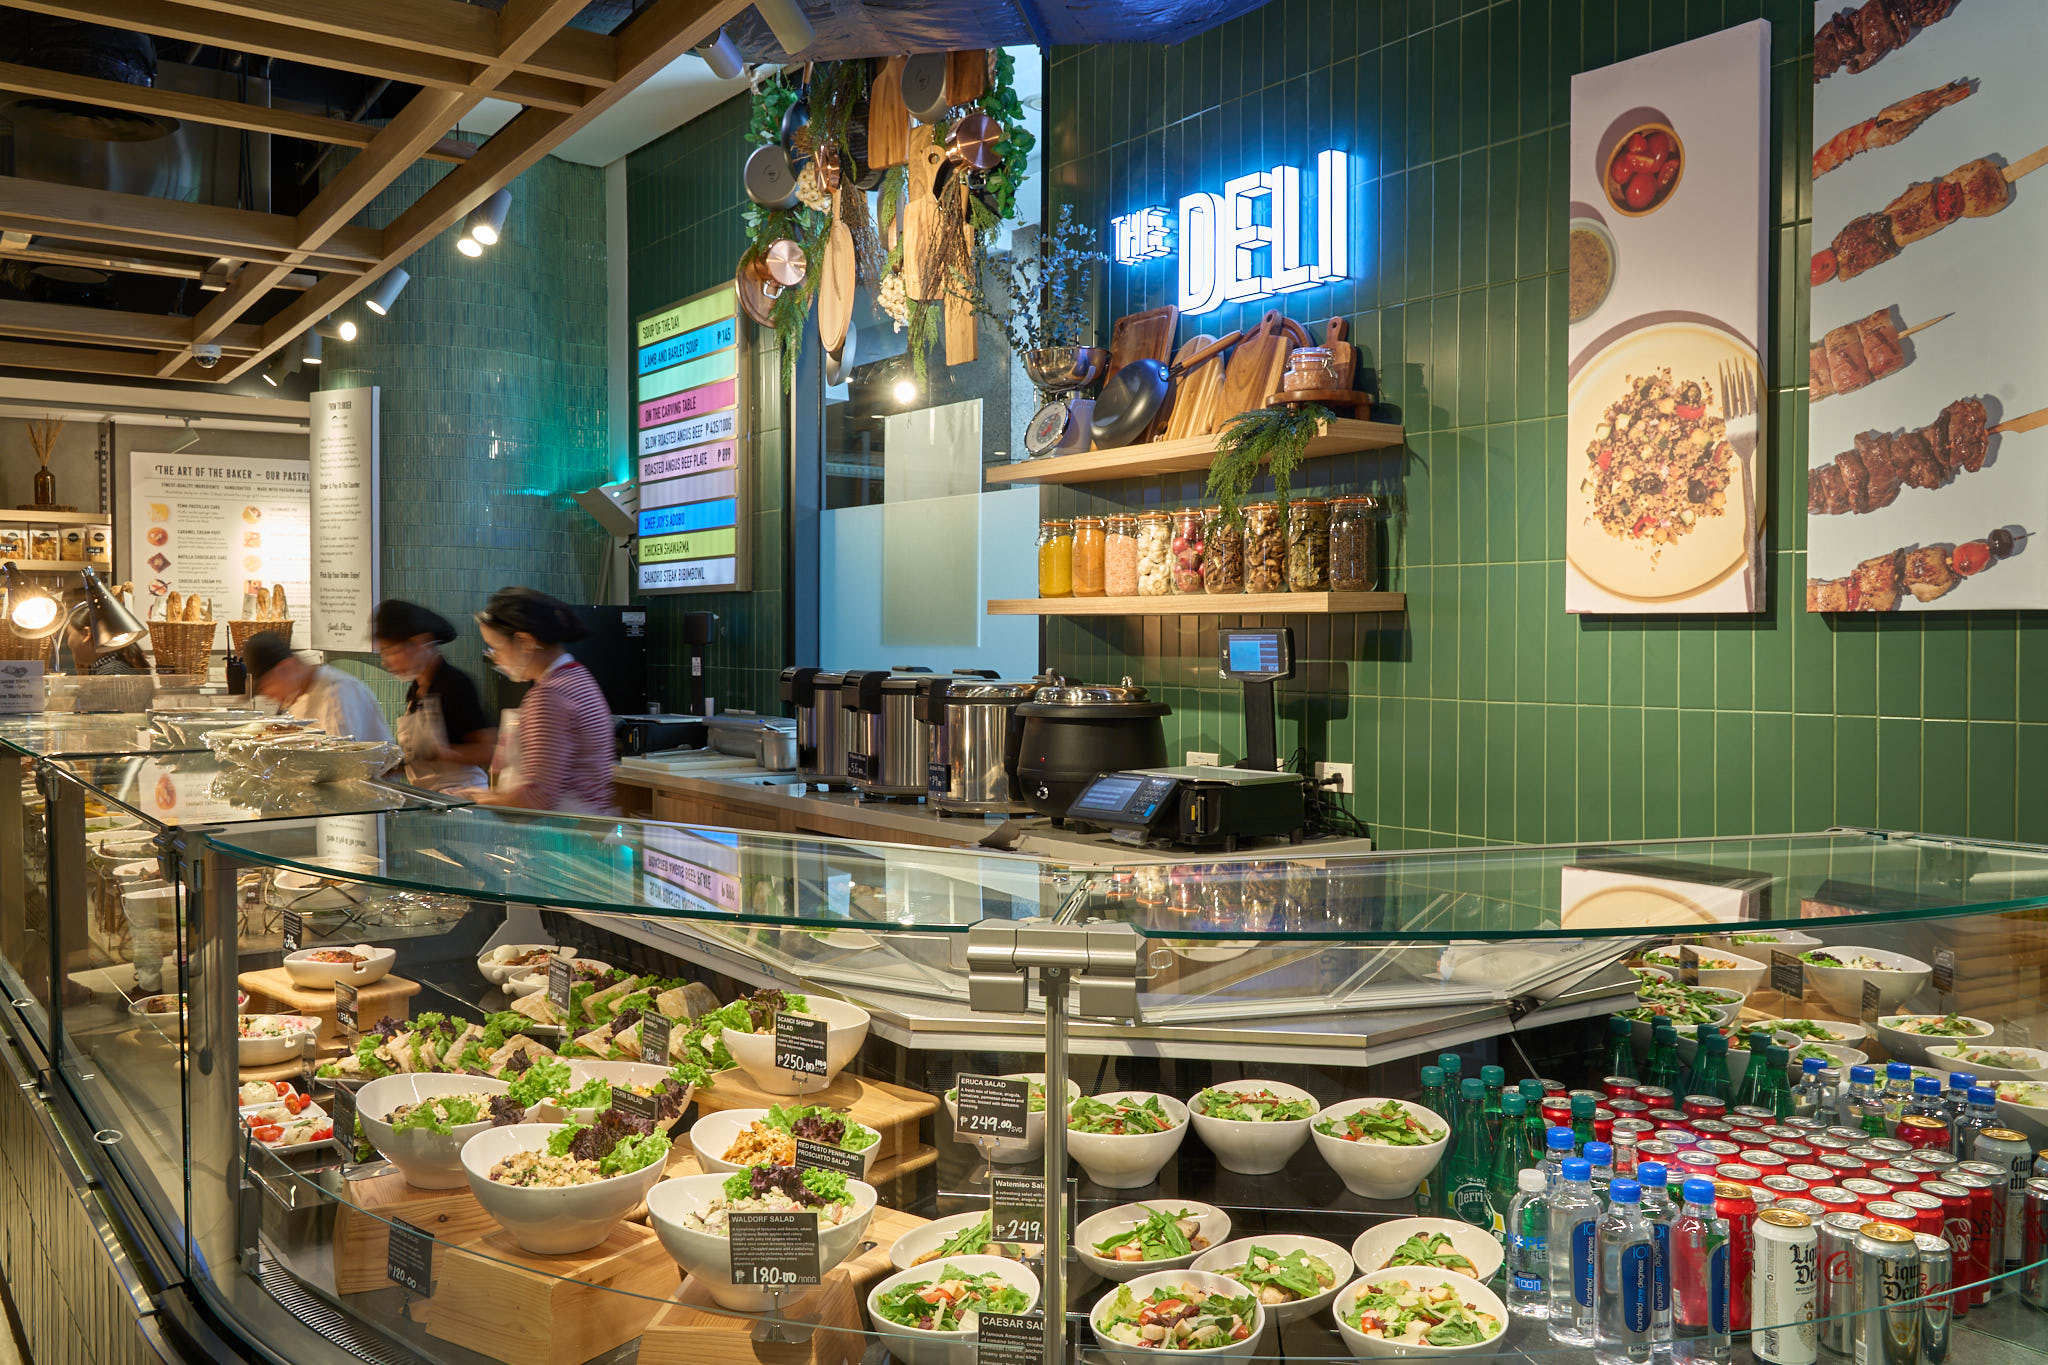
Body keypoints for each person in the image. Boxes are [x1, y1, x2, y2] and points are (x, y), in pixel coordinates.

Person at [460, 587, 615, 814]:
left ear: (526, 642)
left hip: (564, 837)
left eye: (497, 648)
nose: (495, 657)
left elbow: (536, 797)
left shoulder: (550, 696)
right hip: (589, 827)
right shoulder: (579, 676)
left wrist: (476, 798)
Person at [371, 599, 495, 792]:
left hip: (463, 796)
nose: (386, 662)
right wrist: (395, 766)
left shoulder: (454, 684)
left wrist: (444, 754)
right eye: (383, 654)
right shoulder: (415, 689)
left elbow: (488, 750)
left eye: (390, 651)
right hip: (430, 796)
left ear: (420, 643)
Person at [243, 631, 395, 744]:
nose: (269, 696)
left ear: (286, 668)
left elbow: (339, 761)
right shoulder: (301, 696)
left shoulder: (337, 692)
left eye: (267, 686)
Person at [63, 600, 147, 675]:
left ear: (87, 633)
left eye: (69, 634)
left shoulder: (112, 672)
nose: (68, 642)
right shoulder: (109, 667)